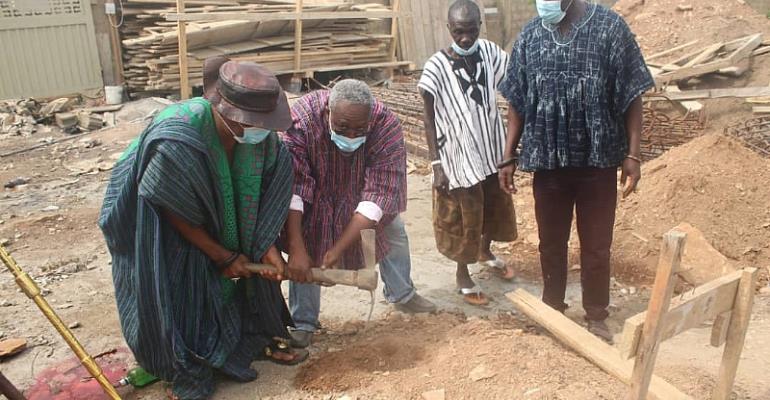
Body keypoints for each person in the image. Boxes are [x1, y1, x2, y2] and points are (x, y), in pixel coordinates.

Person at [99, 56, 307, 399]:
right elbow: (167, 204)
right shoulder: (177, 137)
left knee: (243, 287)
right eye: (257, 123)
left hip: (217, 218)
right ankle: (184, 362)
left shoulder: (259, 138)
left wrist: (266, 248)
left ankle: (245, 342)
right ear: (228, 114)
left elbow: (264, 192)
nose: (265, 131)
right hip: (159, 218)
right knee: (182, 285)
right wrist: (222, 255)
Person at [498, 0, 654, 341]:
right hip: (548, 165)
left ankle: (596, 313)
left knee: (597, 246)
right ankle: (552, 307)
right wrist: (508, 155)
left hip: (597, 163)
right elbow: (517, 101)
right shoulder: (531, 35)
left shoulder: (610, 29)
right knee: (550, 243)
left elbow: (632, 94)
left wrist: (633, 154)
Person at [282, 79, 437, 348]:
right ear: (328, 113)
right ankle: (303, 321)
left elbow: (378, 196)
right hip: (315, 195)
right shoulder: (303, 120)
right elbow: (294, 188)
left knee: (394, 231)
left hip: (361, 193)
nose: (351, 136)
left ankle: (402, 295)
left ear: (370, 120)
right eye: (343, 128)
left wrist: (338, 249)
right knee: (305, 246)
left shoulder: (385, 125)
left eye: (359, 129)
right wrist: (296, 248)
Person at [418, 0, 517, 306]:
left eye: (471, 31)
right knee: (467, 216)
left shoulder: (489, 53)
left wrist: (510, 149)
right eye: (459, 32)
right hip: (459, 155)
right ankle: (463, 274)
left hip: (490, 147)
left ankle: (486, 252)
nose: (465, 38)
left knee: (495, 204)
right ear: (449, 29)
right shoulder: (435, 66)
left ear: (479, 27)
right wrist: (436, 163)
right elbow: (429, 118)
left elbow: (514, 82)